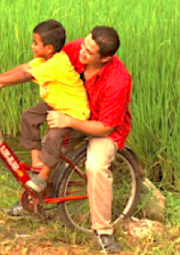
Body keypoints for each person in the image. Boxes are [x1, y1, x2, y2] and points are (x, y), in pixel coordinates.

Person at [47, 26, 132, 254]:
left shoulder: (118, 80)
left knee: (95, 166)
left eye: (89, 51)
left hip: (103, 128)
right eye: (84, 44)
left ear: (105, 58)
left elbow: (105, 127)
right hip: (77, 112)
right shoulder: (77, 48)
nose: (81, 51)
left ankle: (103, 232)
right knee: (42, 128)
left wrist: (69, 121)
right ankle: (38, 192)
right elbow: (44, 68)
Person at [0, 19, 89, 193]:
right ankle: (37, 163)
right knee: (29, 116)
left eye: (36, 43)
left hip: (73, 112)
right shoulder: (45, 59)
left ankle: (43, 176)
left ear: (49, 49)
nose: (32, 46)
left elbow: (25, 75)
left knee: (54, 135)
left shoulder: (57, 64)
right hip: (57, 105)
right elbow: (24, 67)